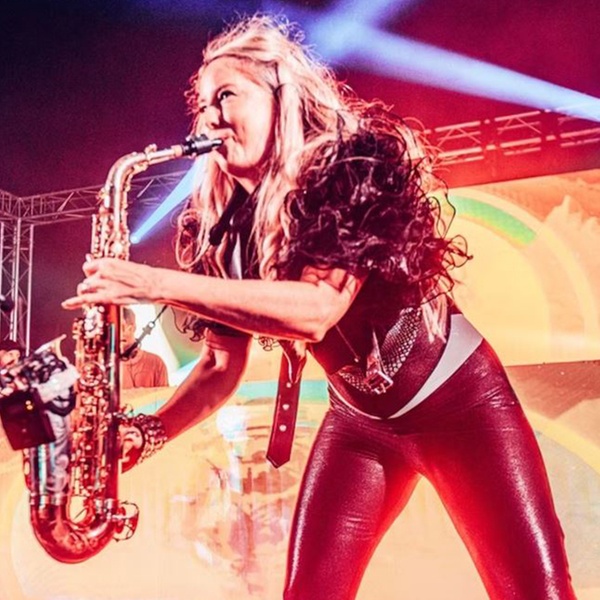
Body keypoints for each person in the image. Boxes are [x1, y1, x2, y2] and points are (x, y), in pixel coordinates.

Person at [62, 14, 576, 599]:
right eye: (202, 105)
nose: (209, 118)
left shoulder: (353, 166)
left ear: (280, 95)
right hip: (361, 425)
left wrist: (153, 283)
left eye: (226, 96)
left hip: (462, 406)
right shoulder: (220, 226)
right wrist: (149, 433)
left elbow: (317, 309)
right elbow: (220, 366)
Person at [120, 306, 169, 389]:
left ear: (133, 328)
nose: (120, 334)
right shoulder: (106, 366)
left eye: (122, 328)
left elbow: (164, 396)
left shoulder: (156, 363)